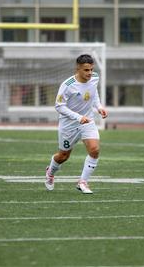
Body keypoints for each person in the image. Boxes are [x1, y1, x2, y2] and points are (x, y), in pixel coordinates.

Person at [45, 54, 108, 194]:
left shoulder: (95, 77)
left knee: (95, 150)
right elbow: (59, 106)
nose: (90, 73)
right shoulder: (67, 85)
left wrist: (99, 107)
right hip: (69, 124)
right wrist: (78, 117)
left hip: (88, 121)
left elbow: (93, 93)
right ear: (78, 69)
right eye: (86, 70)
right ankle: (50, 172)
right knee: (63, 156)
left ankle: (83, 182)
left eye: (91, 69)